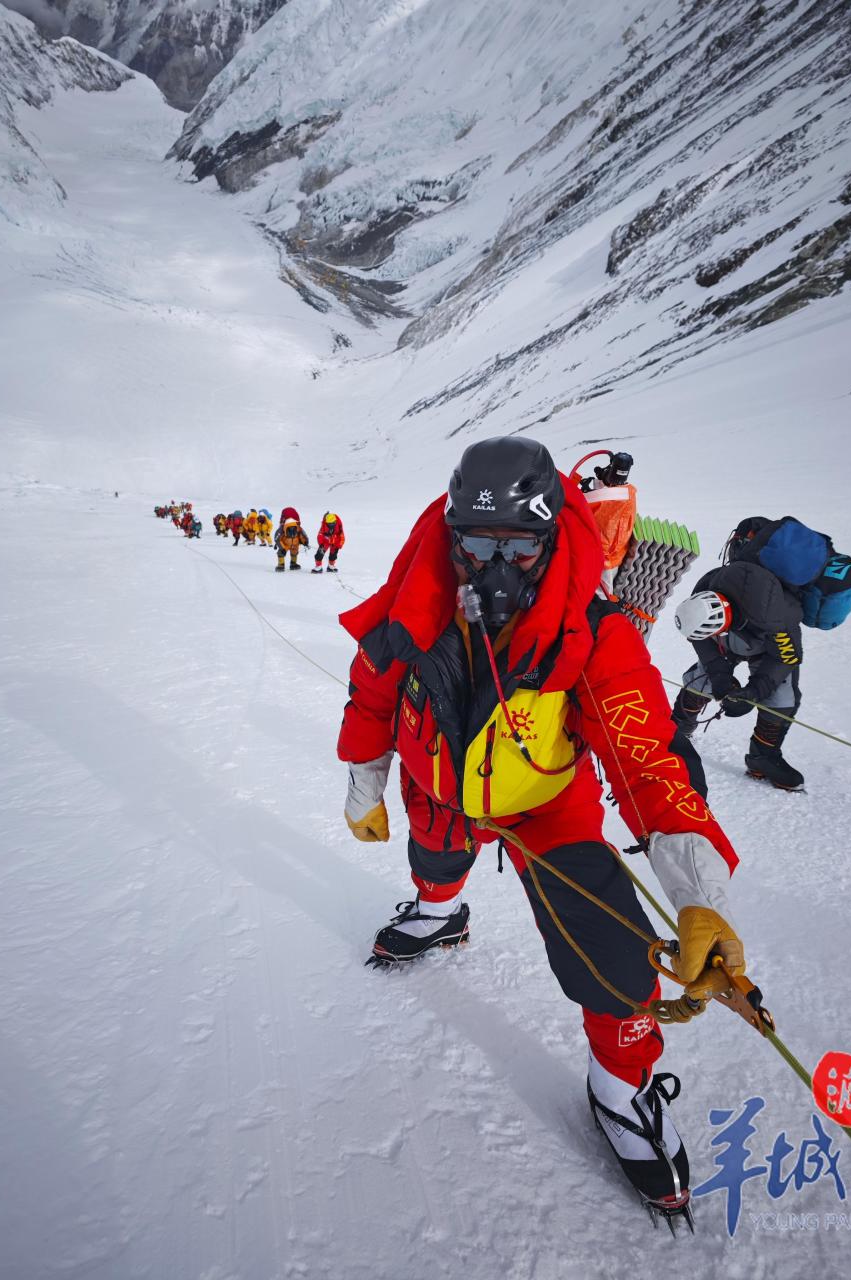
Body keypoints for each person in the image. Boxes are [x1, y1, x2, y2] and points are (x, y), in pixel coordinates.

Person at [336, 437, 745, 1224]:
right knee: (436, 854)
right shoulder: (411, 604)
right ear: (452, 534)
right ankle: (440, 912)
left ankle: (621, 1085)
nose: (492, 565)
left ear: (552, 537)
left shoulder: (591, 631)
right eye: (476, 543)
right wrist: (364, 780)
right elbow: (372, 693)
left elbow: (645, 760)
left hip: (545, 802)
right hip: (441, 781)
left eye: (518, 546)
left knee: (615, 951)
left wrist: (700, 894)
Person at [672, 517, 851, 791]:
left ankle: (763, 756)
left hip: (769, 641)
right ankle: (676, 729)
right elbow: (699, 638)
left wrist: (754, 692)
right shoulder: (705, 589)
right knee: (705, 677)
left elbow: (787, 656)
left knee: (782, 697)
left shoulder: (778, 615)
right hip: (735, 628)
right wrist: (721, 675)